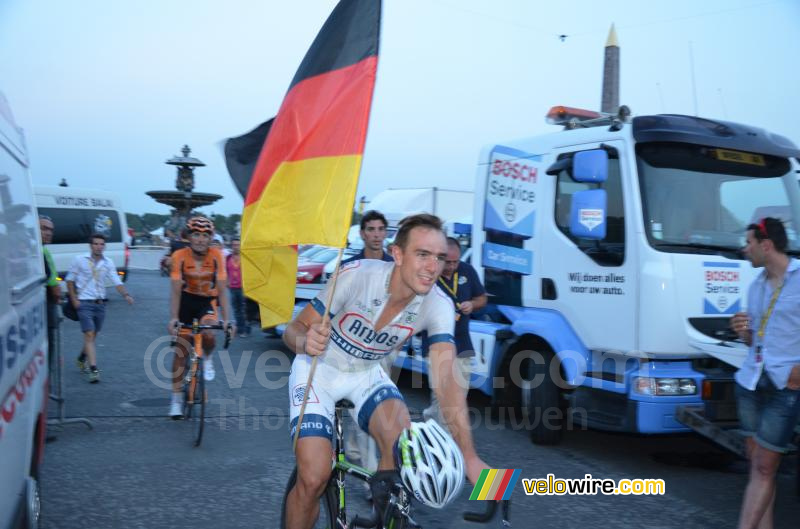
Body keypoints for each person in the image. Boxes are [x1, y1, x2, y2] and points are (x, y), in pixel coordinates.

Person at [283, 214, 489, 528]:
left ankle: (383, 515)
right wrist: (304, 341)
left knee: (404, 447)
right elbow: (293, 330)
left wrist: (469, 457)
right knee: (314, 477)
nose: (433, 267)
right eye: (422, 254)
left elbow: (447, 383)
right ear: (398, 254)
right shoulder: (356, 275)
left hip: (367, 373)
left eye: (439, 257)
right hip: (319, 370)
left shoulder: (439, 304)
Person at [730, 217, 800, 529]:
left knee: (764, 468)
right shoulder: (755, 286)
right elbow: (754, 340)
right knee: (759, 468)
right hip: (750, 383)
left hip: (785, 387)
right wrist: (742, 331)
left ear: (766, 245)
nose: (745, 249)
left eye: (749, 243)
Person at [167, 216, 234, 418]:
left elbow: (222, 291)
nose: (200, 239)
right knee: (181, 352)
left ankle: (207, 357)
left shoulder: (217, 255)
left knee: (210, 333)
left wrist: (228, 320)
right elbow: (175, 291)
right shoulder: (179, 256)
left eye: (205, 235)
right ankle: (176, 400)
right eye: (196, 234)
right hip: (185, 302)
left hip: (206, 302)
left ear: (211, 238)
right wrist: (173, 318)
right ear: (189, 237)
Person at [423, 237, 487, 428]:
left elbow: (482, 298)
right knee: (441, 397)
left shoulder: (467, 271)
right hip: (436, 344)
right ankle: (439, 434)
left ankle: (441, 434)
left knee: (458, 397)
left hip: (462, 343)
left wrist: (472, 304)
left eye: (455, 262)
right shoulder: (428, 274)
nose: (451, 266)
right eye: (448, 262)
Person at [66, 233, 134, 383]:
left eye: (101, 244)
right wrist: (74, 299)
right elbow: (69, 280)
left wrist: (126, 295)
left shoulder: (108, 262)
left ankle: (82, 357)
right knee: (89, 334)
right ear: (90, 246)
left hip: (100, 304)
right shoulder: (79, 260)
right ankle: (94, 370)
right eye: (96, 244)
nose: (99, 247)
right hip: (84, 303)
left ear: (104, 246)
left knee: (92, 336)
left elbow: (116, 281)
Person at [39, 215, 61, 368]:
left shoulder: (43, 249)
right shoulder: (40, 251)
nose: (48, 233)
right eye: (44, 228)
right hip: (46, 304)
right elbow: (52, 280)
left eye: (51, 230)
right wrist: (57, 294)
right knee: (49, 341)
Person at [226, 237, 250, 338]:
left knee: (243, 309)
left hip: (242, 287)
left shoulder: (245, 258)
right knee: (236, 309)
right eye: (234, 245)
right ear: (231, 246)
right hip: (232, 287)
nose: (236, 247)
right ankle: (240, 328)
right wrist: (226, 281)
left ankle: (244, 330)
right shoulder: (228, 258)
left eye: (237, 245)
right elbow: (225, 271)